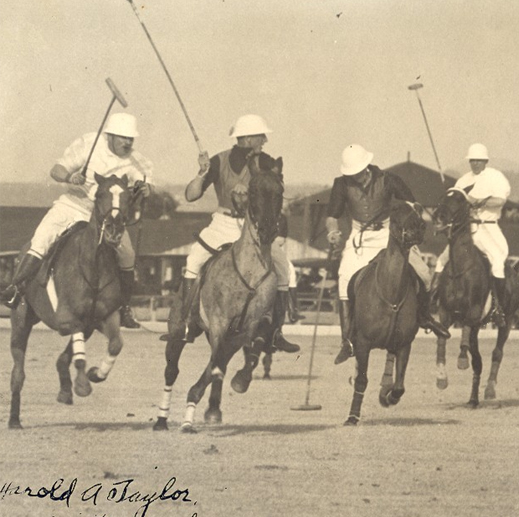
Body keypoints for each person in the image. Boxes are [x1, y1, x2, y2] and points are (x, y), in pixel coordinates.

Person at [162, 114, 299, 352]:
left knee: (286, 269)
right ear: (246, 138)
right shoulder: (218, 161)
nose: (265, 140)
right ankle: (185, 322)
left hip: (253, 228)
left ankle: (276, 332)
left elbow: (273, 193)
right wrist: (202, 173)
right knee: (193, 260)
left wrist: (252, 189)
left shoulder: (267, 163)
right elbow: (191, 195)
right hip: (222, 224)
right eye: (260, 136)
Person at [1, 112, 152, 328]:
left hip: (107, 218)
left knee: (128, 255)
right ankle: (16, 288)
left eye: (131, 138)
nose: (127, 142)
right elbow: (56, 171)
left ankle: (124, 307)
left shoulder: (138, 162)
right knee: (42, 239)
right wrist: (70, 177)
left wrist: (146, 189)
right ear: (110, 136)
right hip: (73, 206)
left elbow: (144, 186)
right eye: (122, 137)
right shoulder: (88, 144)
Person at [325, 144, 450, 364]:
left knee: (424, 274)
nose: (355, 179)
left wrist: (413, 213)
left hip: (387, 234)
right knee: (344, 277)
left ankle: (425, 316)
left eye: (357, 174)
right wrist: (333, 232)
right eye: (351, 175)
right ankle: (348, 340)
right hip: (359, 237)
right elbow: (332, 215)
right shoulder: (341, 184)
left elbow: (413, 203)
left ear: (366, 168)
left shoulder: (387, 179)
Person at [432, 143, 512, 326]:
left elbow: (500, 200)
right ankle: (432, 301)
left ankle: (498, 308)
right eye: (472, 160)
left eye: (479, 160)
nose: (475, 163)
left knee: (498, 263)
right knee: (441, 261)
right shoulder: (462, 180)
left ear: (486, 161)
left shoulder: (496, 177)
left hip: (488, 229)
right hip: (465, 231)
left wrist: (477, 202)